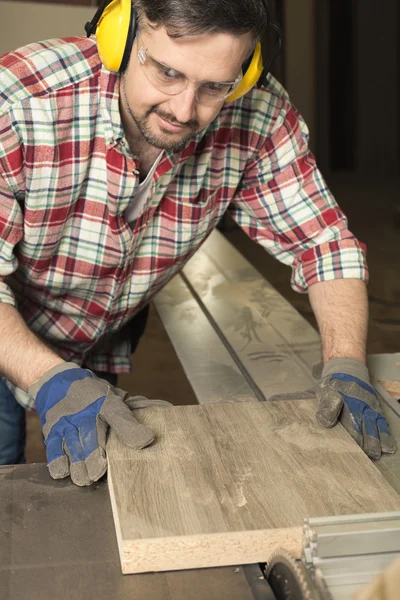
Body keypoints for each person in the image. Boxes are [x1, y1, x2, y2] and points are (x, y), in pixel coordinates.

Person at [0, 0, 395, 486]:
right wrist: (46, 374)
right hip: (9, 322)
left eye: (214, 87)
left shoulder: (257, 113)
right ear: (120, 38)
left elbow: (324, 243)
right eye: (167, 72)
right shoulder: (19, 103)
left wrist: (347, 361)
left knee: (99, 478)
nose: (184, 110)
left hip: (98, 333)